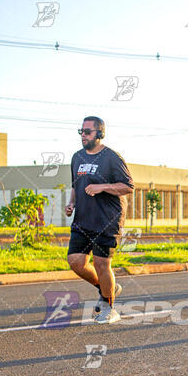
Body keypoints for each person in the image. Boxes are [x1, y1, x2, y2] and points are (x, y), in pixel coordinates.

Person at [65, 116, 134, 323]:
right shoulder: (77, 157)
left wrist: (102, 187)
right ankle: (107, 289)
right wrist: (72, 204)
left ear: (100, 134)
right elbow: (75, 185)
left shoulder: (111, 157)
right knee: (76, 262)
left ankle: (110, 308)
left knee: (101, 263)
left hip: (107, 219)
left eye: (88, 132)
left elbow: (128, 187)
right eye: (81, 131)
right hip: (83, 219)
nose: (83, 135)